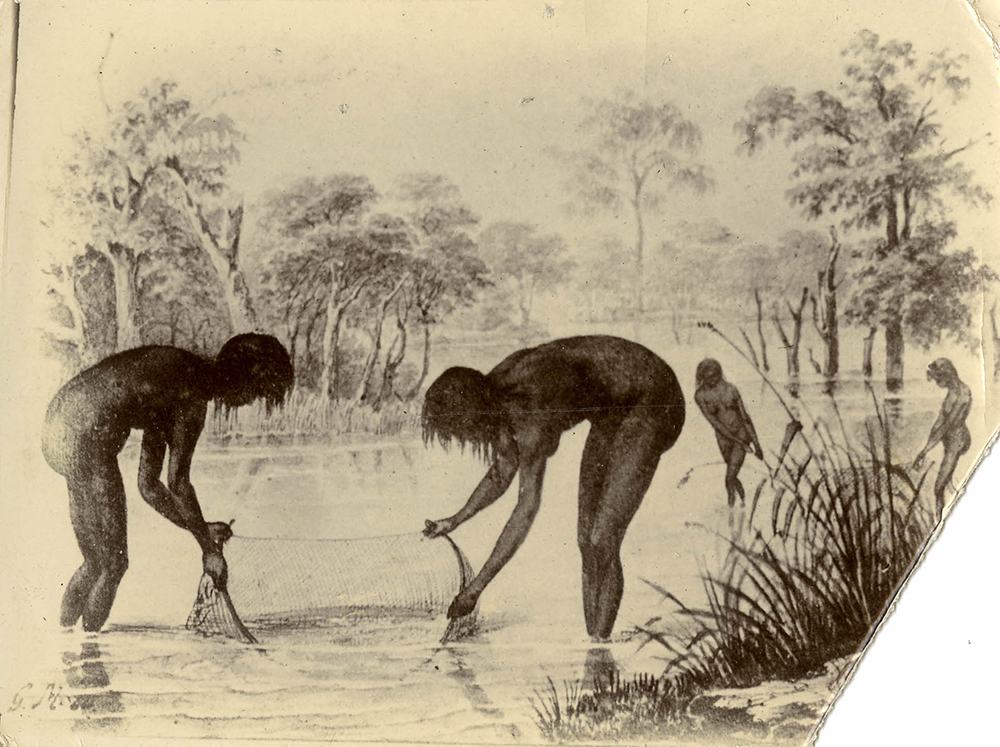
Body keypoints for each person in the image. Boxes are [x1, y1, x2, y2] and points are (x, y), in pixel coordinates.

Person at [421, 336, 685, 641]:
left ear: (472, 415)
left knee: (602, 539)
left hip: (652, 400)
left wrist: (476, 589)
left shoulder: (529, 409)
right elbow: (502, 472)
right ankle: (596, 644)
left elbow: (525, 508)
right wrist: (455, 519)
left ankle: (599, 649)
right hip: (611, 412)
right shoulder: (496, 392)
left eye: (460, 430)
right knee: (587, 541)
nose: (463, 438)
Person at [42, 334, 294, 632]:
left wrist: (198, 527)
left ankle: (62, 642)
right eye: (257, 392)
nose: (252, 402)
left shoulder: (177, 378)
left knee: (95, 562)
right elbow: (178, 484)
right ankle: (90, 651)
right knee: (113, 565)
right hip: (86, 435)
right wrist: (210, 551)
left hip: (59, 425)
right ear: (242, 380)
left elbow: (149, 486)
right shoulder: (192, 397)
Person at [693, 359, 763, 508]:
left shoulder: (731, 389)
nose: (713, 380)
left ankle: (731, 508)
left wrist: (756, 444)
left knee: (729, 477)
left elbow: (745, 418)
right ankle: (742, 501)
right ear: (702, 377)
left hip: (741, 433)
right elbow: (715, 423)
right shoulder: (700, 396)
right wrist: (739, 443)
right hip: (723, 438)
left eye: (716, 376)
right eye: (709, 377)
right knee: (732, 476)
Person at [913, 358, 972, 517]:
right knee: (945, 485)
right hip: (948, 439)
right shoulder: (951, 392)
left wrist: (925, 451)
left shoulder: (963, 393)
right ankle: (943, 517)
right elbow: (939, 422)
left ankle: (940, 521)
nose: (937, 383)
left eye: (938, 379)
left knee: (939, 487)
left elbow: (947, 426)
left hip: (957, 441)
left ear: (948, 375)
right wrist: (925, 448)